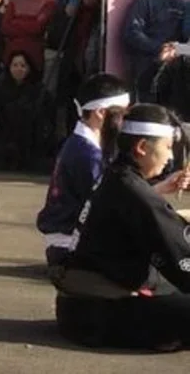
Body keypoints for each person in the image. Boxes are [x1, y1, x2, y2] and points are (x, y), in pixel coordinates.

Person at [55, 103, 190, 351]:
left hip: (77, 309)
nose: (171, 157)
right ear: (141, 147)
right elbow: (179, 252)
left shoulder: (117, 177)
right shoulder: (133, 191)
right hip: (98, 314)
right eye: (168, 147)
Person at [36, 74, 128, 270]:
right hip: (70, 243)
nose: (125, 120)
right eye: (122, 113)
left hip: (65, 237)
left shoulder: (82, 145)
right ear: (101, 113)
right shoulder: (87, 154)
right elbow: (107, 203)